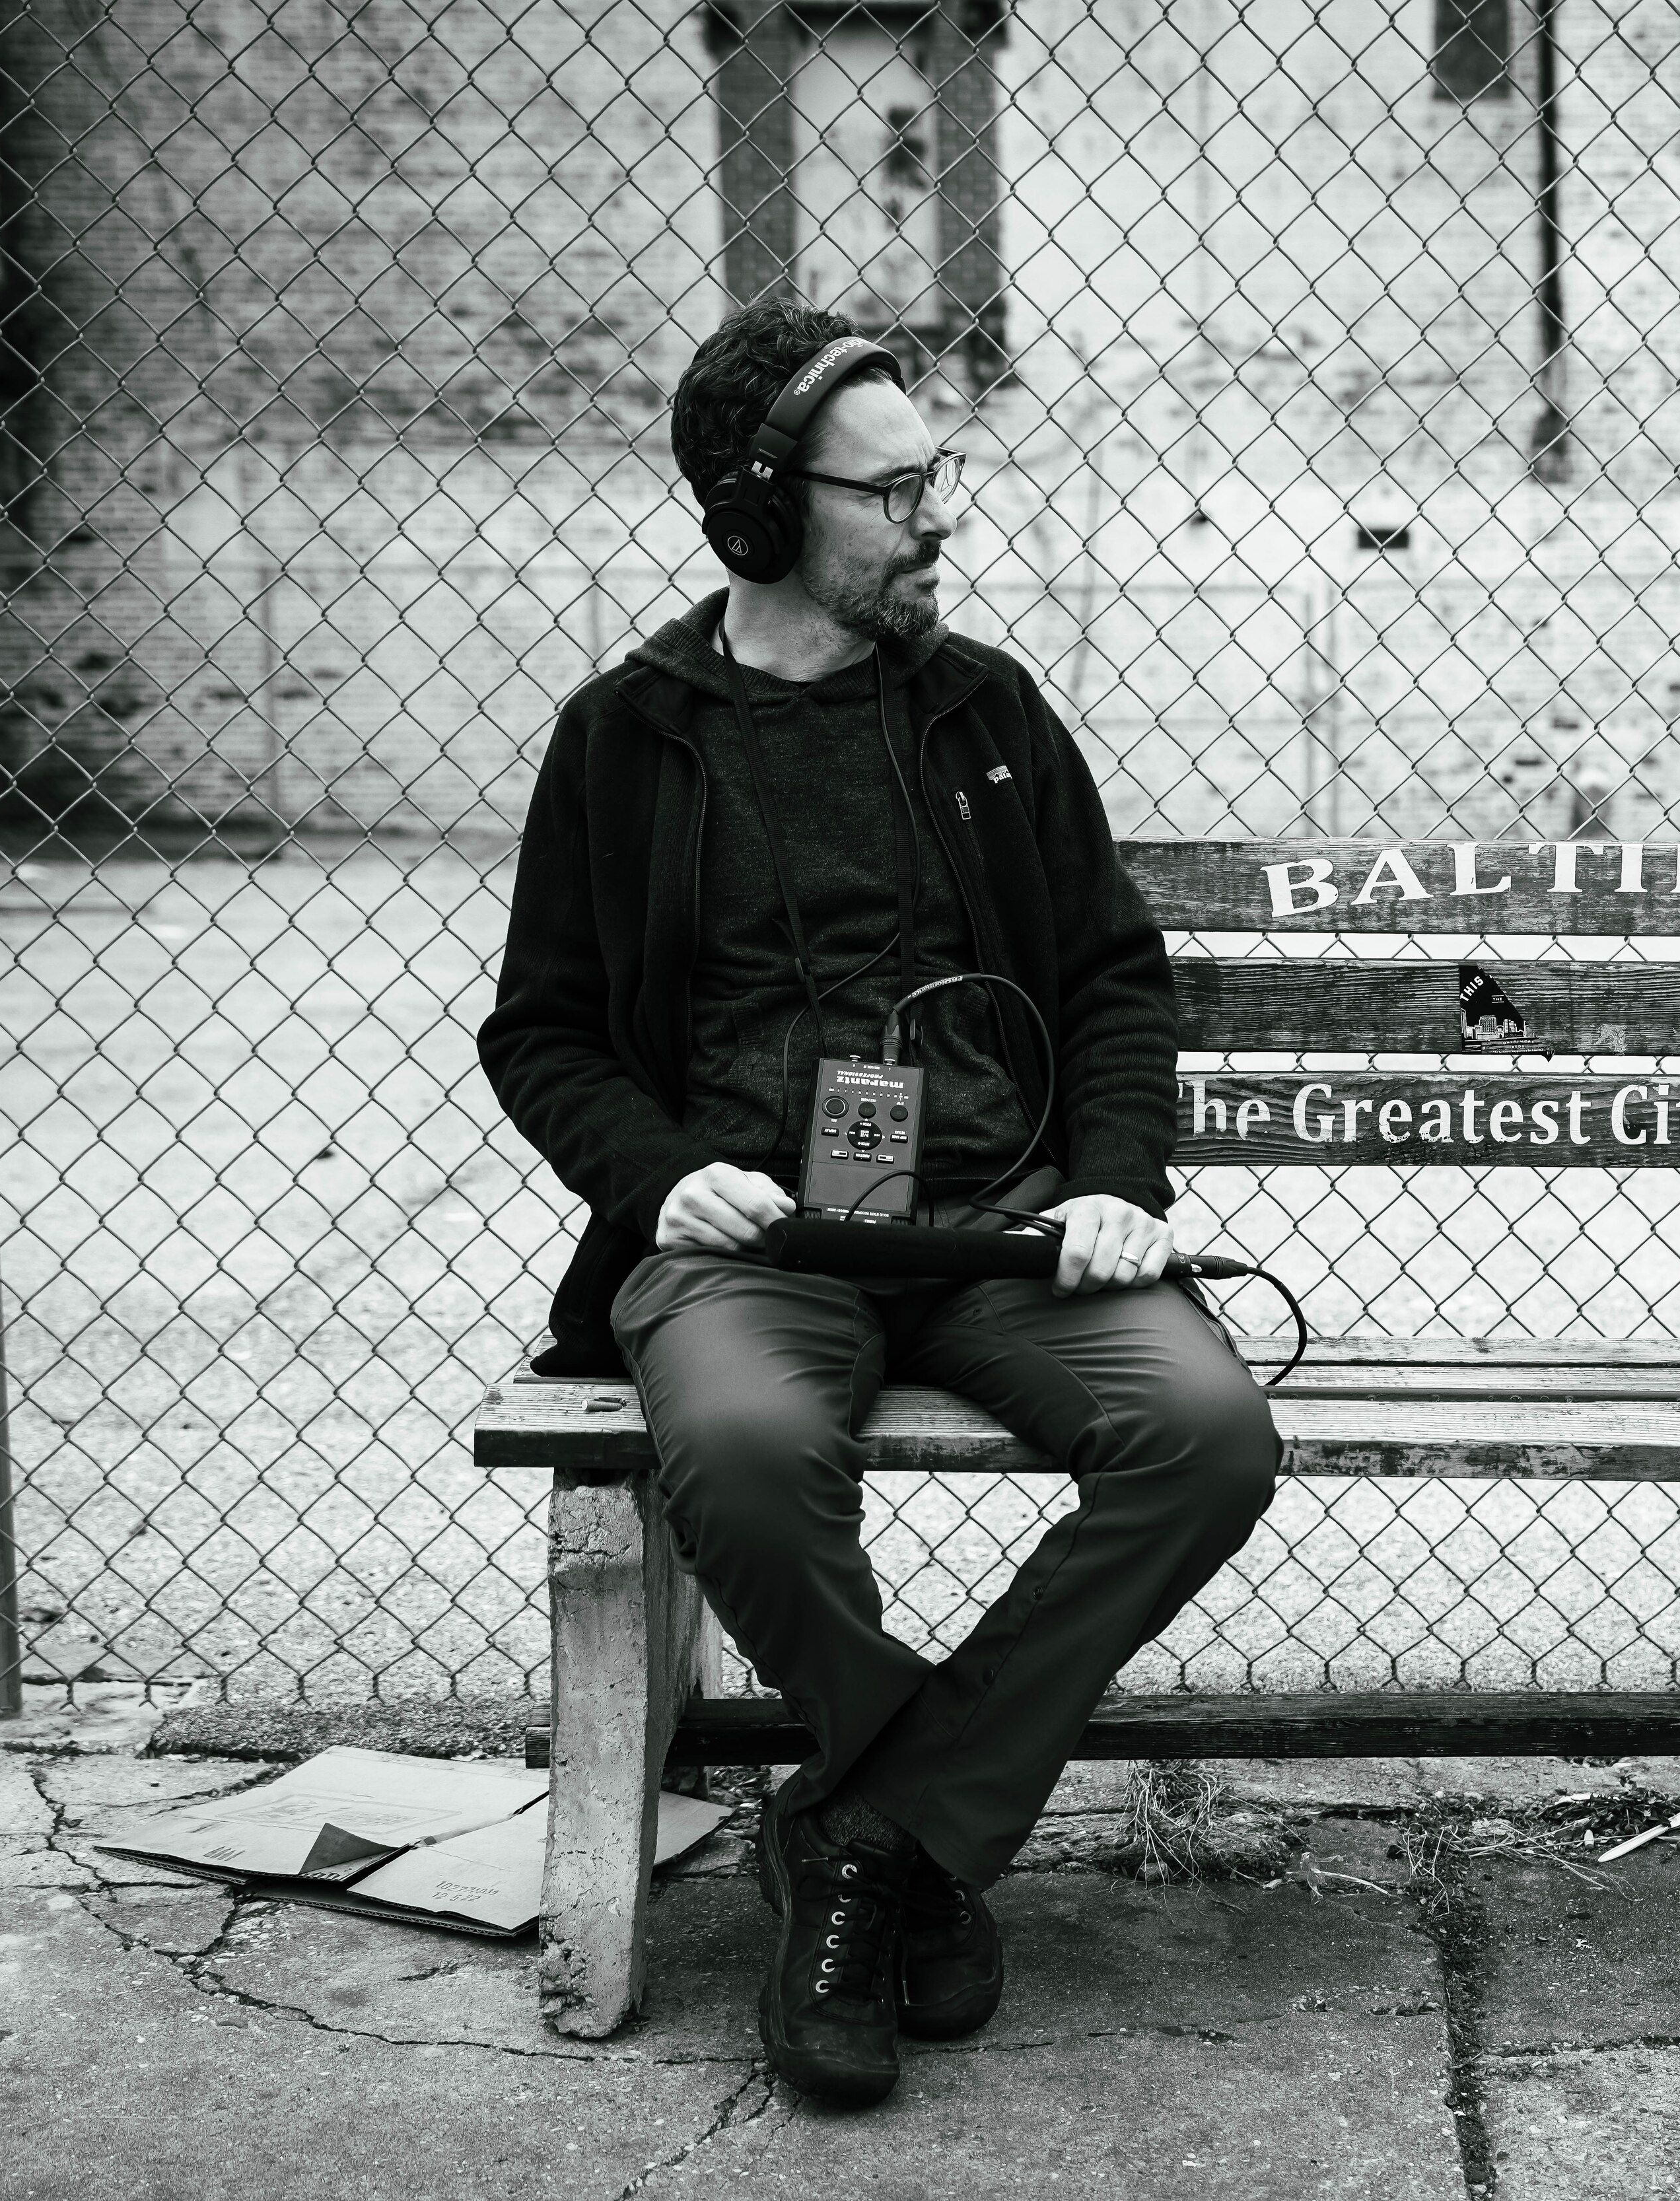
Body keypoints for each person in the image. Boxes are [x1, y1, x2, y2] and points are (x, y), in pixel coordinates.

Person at [477, 299, 1280, 2109]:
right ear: (763, 514)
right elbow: (539, 1031)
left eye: (942, 480)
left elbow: (1110, 984)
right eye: (896, 489)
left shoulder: (985, 714)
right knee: (749, 1455)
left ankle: (860, 1835)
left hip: (1003, 1226)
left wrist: (1116, 1190)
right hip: (758, 1246)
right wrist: (660, 1174)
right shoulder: (629, 740)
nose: (938, 520)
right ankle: (909, 1831)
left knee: (1209, 1436)